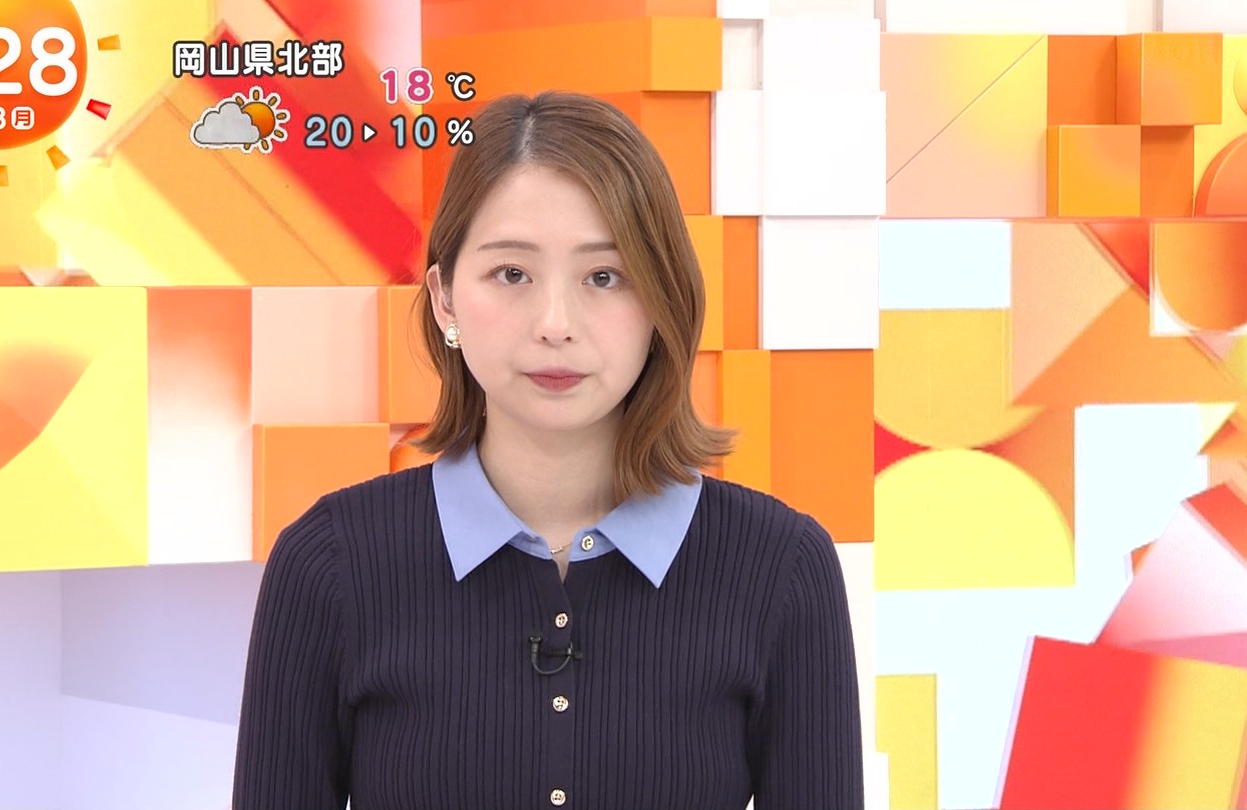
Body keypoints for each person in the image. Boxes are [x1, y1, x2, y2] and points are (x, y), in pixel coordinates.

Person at [231, 90, 863, 810]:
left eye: (604, 276)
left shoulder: (782, 569)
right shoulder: (328, 564)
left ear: (662, 300)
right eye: (512, 274)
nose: (555, 324)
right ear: (444, 298)